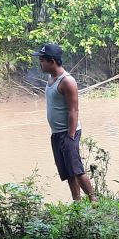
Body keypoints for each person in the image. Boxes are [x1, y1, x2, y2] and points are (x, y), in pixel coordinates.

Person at [35, 42, 96, 202]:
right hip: (57, 133)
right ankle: (77, 201)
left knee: (76, 168)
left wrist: (70, 136)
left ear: (52, 61)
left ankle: (94, 200)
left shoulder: (67, 81)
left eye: (42, 60)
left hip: (69, 132)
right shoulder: (51, 79)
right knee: (67, 170)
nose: (39, 63)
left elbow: (73, 110)